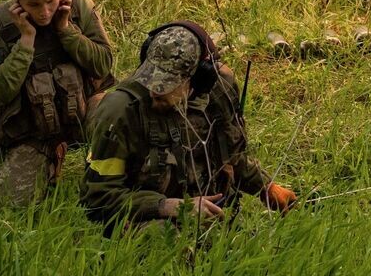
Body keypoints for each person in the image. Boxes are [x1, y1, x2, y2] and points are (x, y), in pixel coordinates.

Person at [80, 21, 296, 230]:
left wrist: (265, 187)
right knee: (164, 238)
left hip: (209, 215)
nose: (154, 92)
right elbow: (99, 197)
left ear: (196, 81)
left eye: (166, 85)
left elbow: (231, 154)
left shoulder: (218, 91)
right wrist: (168, 206)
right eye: (150, 78)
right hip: (151, 219)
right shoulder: (120, 111)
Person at [0, 0, 115, 205]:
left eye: (51, 1)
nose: (45, 11)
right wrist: (26, 40)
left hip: (84, 109)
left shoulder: (79, 5)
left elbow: (102, 64)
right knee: (12, 201)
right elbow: (1, 90)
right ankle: (50, 158)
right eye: (34, 4)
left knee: (117, 122)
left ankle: (102, 178)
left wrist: (66, 30)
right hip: (33, 128)